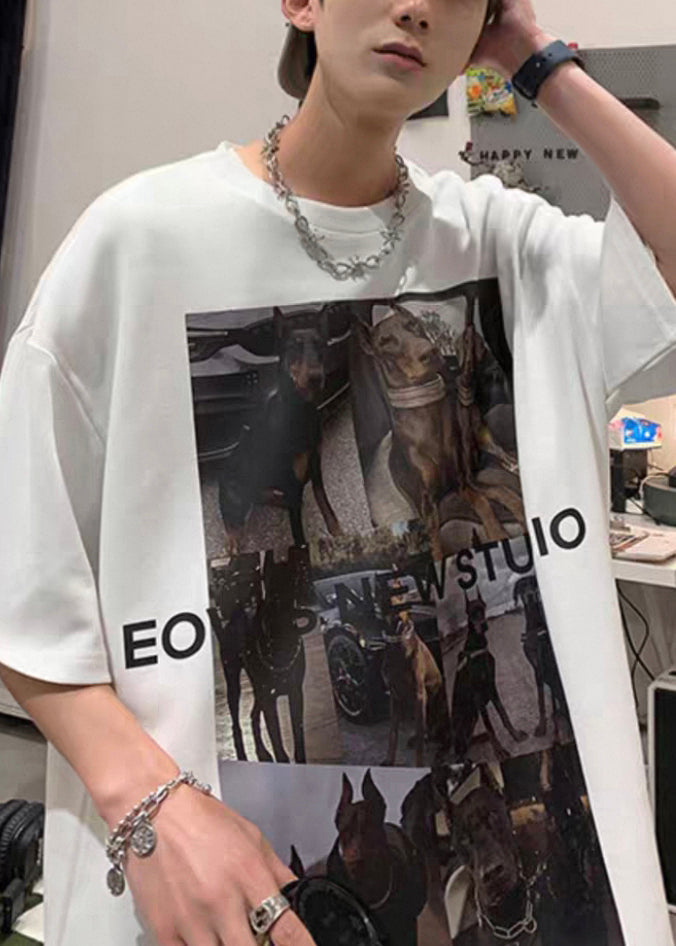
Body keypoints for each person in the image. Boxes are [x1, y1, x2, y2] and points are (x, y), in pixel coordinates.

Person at [0, 0, 675, 945]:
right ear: (302, 3)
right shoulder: (137, 241)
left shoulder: (508, 242)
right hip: (218, 896)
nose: (417, 7)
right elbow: (22, 577)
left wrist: (533, 58)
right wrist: (151, 801)